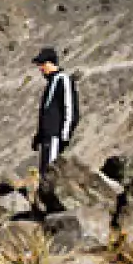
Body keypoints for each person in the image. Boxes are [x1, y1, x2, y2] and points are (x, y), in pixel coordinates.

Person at [31, 47, 79, 177]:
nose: (40, 68)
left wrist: (64, 135)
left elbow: (69, 109)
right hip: (46, 137)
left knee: (50, 172)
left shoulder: (63, 80)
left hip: (55, 136)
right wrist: (39, 135)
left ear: (50, 63)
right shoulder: (51, 83)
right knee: (43, 172)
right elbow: (46, 112)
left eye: (42, 64)